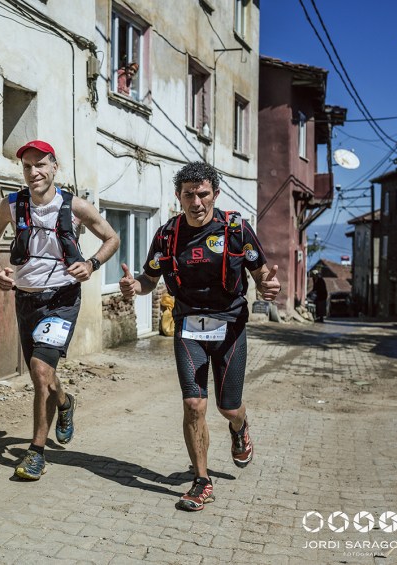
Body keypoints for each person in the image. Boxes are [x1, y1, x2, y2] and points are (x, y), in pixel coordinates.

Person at [119, 161, 280, 511]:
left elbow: (261, 273)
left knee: (228, 406)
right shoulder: (167, 235)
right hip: (188, 327)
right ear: (178, 196)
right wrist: (135, 286)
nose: (196, 202)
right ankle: (201, 481)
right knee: (194, 404)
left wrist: (269, 286)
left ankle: (239, 427)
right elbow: (149, 279)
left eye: (203, 194)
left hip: (230, 326)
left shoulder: (236, 229)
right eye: (189, 195)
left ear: (215, 194)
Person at [0, 140, 120, 480]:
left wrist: (91, 264)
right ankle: (64, 402)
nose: (34, 172)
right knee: (40, 374)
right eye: (27, 166)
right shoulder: (11, 205)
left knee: (40, 370)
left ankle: (36, 453)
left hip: (62, 299)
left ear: (55, 167)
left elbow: (112, 238)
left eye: (40, 164)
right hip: (26, 299)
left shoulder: (75, 206)